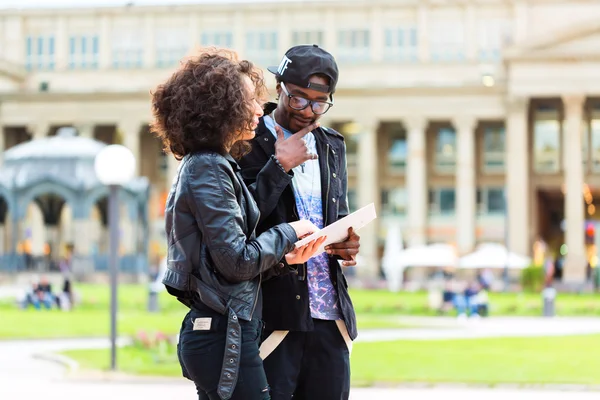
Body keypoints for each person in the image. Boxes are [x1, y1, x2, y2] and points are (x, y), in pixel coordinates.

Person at [151, 47, 326, 400]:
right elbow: (237, 261)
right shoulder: (208, 168)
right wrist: (289, 230)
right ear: (219, 110)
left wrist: (284, 258)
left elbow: (230, 254)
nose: (258, 110)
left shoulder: (214, 164)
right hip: (223, 334)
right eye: (247, 101)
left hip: (226, 330)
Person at [238, 44, 361, 400]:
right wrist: (279, 167)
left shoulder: (332, 145)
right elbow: (239, 222)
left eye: (319, 102)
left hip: (329, 318)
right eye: (298, 99)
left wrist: (347, 245)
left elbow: (334, 218)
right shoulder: (245, 139)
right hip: (275, 315)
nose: (307, 111)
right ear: (280, 88)